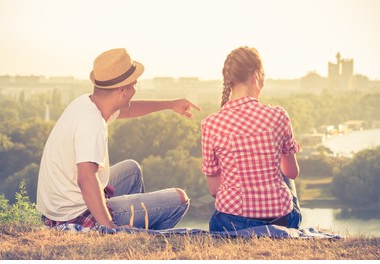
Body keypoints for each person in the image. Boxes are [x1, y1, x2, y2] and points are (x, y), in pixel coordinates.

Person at [36, 48, 200, 231]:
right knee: (179, 199)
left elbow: (128, 110)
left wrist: (170, 104)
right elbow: (86, 178)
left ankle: (138, 231)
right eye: (135, 84)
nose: (136, 89)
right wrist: (109, 226)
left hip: (61, 204)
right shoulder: (92, 124)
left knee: (132, 170)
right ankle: (142, 239)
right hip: (74, 215)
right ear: (123, 90)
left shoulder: (87, 103)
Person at [200, 46, 302, 232]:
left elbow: (214, 190)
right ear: (256, 76)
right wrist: (283, 150)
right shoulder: (278, 116)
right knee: (285, 163)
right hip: (281, 219)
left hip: (230, 222)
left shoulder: (210, 124)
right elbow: (292, 173)